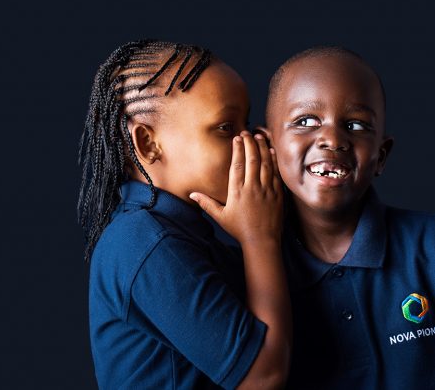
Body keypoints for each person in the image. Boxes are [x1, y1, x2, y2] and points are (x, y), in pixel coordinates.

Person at [79, 40, 291, 389]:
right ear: (148, 144)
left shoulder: (186, 233)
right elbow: (262, 376)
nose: (249, 142)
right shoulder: (144, 242)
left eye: (247, 124)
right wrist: (259, 237)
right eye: (226, 128)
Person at [260, 46, 435, 388]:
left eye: (356, 125)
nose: (332, 139)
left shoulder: (428, 248)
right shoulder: (252, 271)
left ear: (381, 156)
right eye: (306, 121)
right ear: (270, 148)